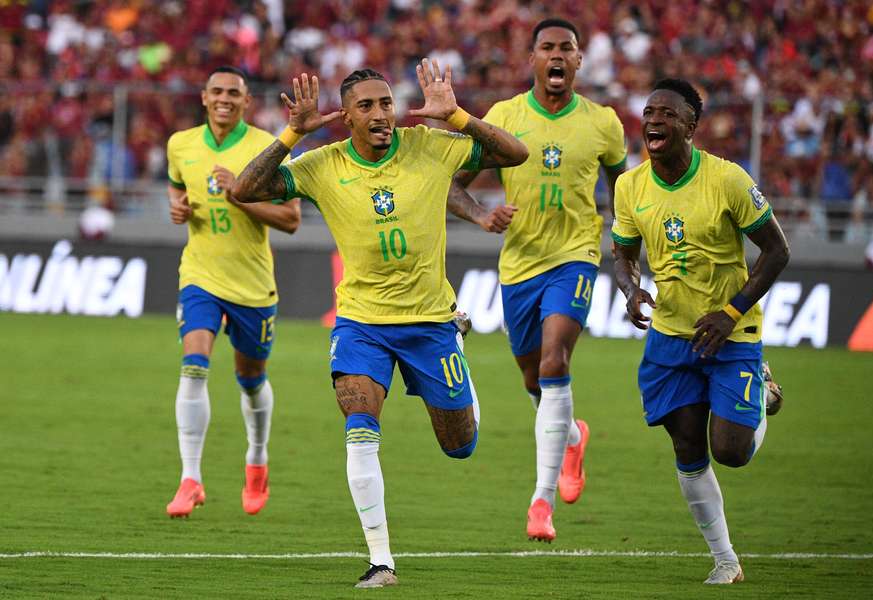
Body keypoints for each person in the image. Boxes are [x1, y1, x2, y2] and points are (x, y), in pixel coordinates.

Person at [231, 61, 528, 587]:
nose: (380, 113)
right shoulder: (322, 163)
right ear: (345, 116)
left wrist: (456, 114)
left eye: (386, 103)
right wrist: (293, 132)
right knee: (360, 430)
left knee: (460, 446)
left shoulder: (429, 146)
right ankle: (381, 561)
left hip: (429, 322)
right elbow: (246, 191)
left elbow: (515, 154)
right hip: (361, 324)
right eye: (366, 105)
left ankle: (460, 354)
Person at [448, 18, 627, 542]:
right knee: (535, 379)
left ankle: (540, 504)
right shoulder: (504, 117)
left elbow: (627, 191)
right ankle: (572, 436)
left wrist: (626, 252)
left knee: (556, 361)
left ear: (578, 61)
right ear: (532, 60)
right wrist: (482, 216)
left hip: (574, 258)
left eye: (566, 48)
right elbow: (454, 186)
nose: (556, 55)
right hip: (519, 266)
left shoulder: (603, 123)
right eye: (546, 47)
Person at [611, 79, 790, 584]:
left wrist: (731, 312)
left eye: (665, 114)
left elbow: (777, 252)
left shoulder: (727, 180)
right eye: (647, 113)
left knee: (730, 451)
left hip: (731, 332)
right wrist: (630, 290)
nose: (652, 121)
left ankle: (762, 392)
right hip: (671, 336)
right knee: (688, 446)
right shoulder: (630, 186)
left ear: (690, 126)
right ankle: (725, 560)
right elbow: (621, 252)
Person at [165, 66, 301, 518]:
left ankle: (257, 459)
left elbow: (291, 219)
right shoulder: (180, 144)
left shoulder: (265, 146)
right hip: (200, 275)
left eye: (233, 93)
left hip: (251, 284)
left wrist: (241, 195)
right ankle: (190, 478)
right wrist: (178, 207)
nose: (224, 99)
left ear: (245, 101)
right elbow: (177, 185)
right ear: (204, 98)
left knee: (250, 380)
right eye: (216, 91)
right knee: (193, 365)